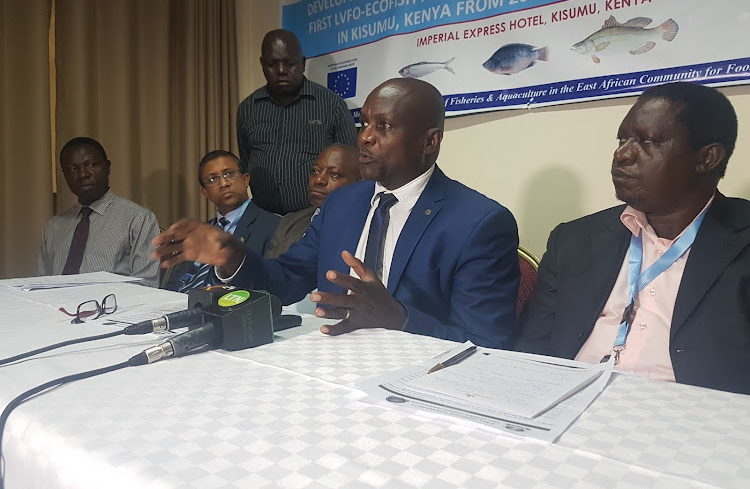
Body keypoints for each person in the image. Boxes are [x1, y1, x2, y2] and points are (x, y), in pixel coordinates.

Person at [155, 78, 520, 348]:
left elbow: (487, 346)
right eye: (364, 124)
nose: (364, 137)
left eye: (385, 126)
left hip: (418, 385)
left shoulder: (479, 223)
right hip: (331, 366)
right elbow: (284, 281)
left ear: (430, 141)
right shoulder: (343, 203)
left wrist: (399, 318)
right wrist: (231, 254)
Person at [516, 82, 750, 395]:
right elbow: (532, 349)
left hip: (686, 421)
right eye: (623, 139)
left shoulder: (741, 240)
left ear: (706, 158)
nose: (622, 154)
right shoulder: (573, 240)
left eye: (647, 141)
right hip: (564, 403)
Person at [236, 29, 358, 215]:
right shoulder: (248, 109)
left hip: (316, 219)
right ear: (262, 64)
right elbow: (246, 162)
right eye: (272, 64)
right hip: (265, 219)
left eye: (290, 63)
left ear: (302, 63)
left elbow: (352, 166)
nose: (282, 71)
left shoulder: (331, 105)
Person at [39, 137, 160, 287]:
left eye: (90, 165)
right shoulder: (53, 227)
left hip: (111, 307)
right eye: (73, 169)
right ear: (64, 175)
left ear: (107, 167)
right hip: (55, 308)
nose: (83, 174)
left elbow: (146, 285)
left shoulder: (138, 219)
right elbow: (41, 284)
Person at [164, 150, 280, 292]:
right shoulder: (201, 231)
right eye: (213, 179)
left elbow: (269, 285)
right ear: (205, 192)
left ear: (246, 180)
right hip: (181, 304)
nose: (224, 183)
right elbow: (175, 283)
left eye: (229, 174)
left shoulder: (273, 226)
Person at [263, 143, 361, 259]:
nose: (319, 180)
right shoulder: (289, 222)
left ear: (359, 183)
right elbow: (270, 272)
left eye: (334, 174)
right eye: (315, 171)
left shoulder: (366, 228)